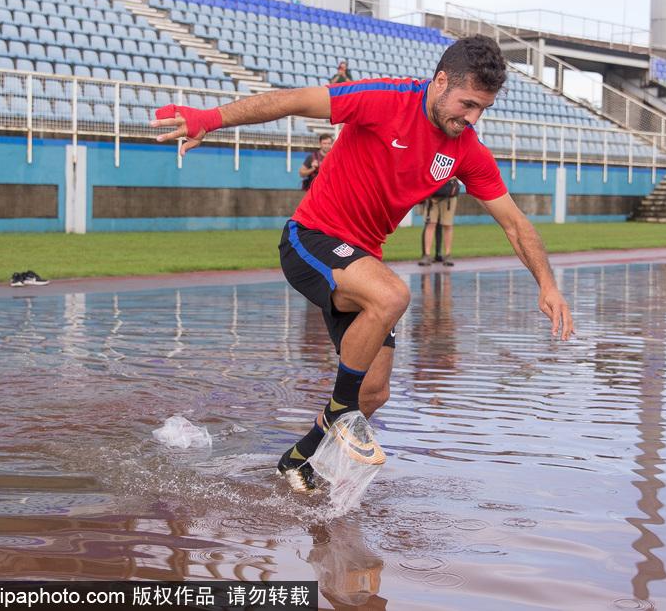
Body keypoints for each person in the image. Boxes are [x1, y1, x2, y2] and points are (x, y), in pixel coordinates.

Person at [150, 34, 575, 495]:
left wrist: (547, 285)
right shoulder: (385, 99)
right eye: (467, 103)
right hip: (310, 238)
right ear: (439, 82)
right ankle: (339, 415)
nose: (472, 118)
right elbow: (293, 101)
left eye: (482, 110)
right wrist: (208, 119)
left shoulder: (466, 150)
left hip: (361, 260)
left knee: (374, 393)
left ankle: (299, 461)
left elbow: (514, 223)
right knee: (392, 294)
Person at [419, 177, 460, 266]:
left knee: (447, 224)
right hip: (432, 194)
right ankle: (427, 254)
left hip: (449, 194)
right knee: (430, 224)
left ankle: (448, 255)